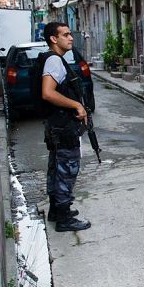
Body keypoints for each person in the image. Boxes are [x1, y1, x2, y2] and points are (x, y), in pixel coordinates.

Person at [41, 21, 91, 232]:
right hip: (63, 127)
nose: (71, 38)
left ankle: (57, 211)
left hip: (56, 126)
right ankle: (63, 219)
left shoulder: (52, 59)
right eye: (66, 34)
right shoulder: (53, 61)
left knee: (56, 169)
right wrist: (76, 105)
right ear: (54, 39)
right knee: (66, 171)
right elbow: (48, 93)